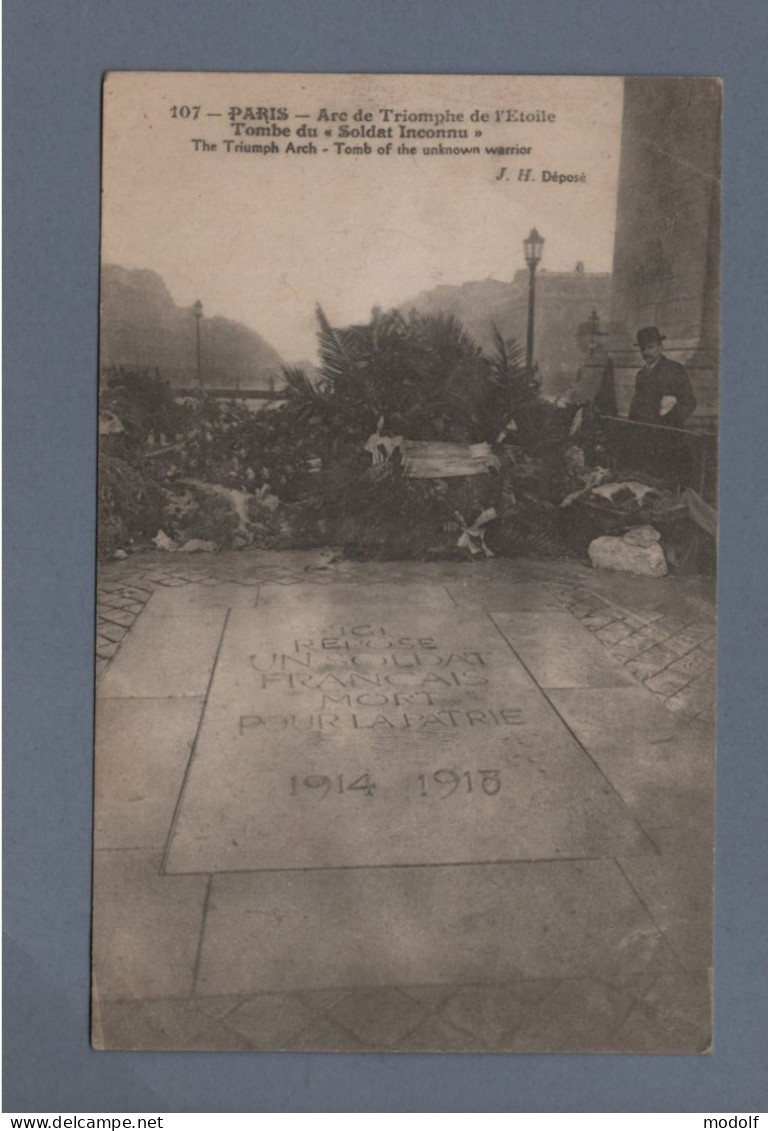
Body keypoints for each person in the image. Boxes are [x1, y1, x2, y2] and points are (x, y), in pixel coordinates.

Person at [628, 326, 696, 483]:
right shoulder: (641, 375)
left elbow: (690, 402)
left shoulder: (675, 369)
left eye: (650, 347)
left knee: (666, 488)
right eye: (642, 349)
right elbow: (636, 406)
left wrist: (669, 419)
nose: (646, 353)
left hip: (668, 441)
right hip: (644, 442)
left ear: (660, 346)